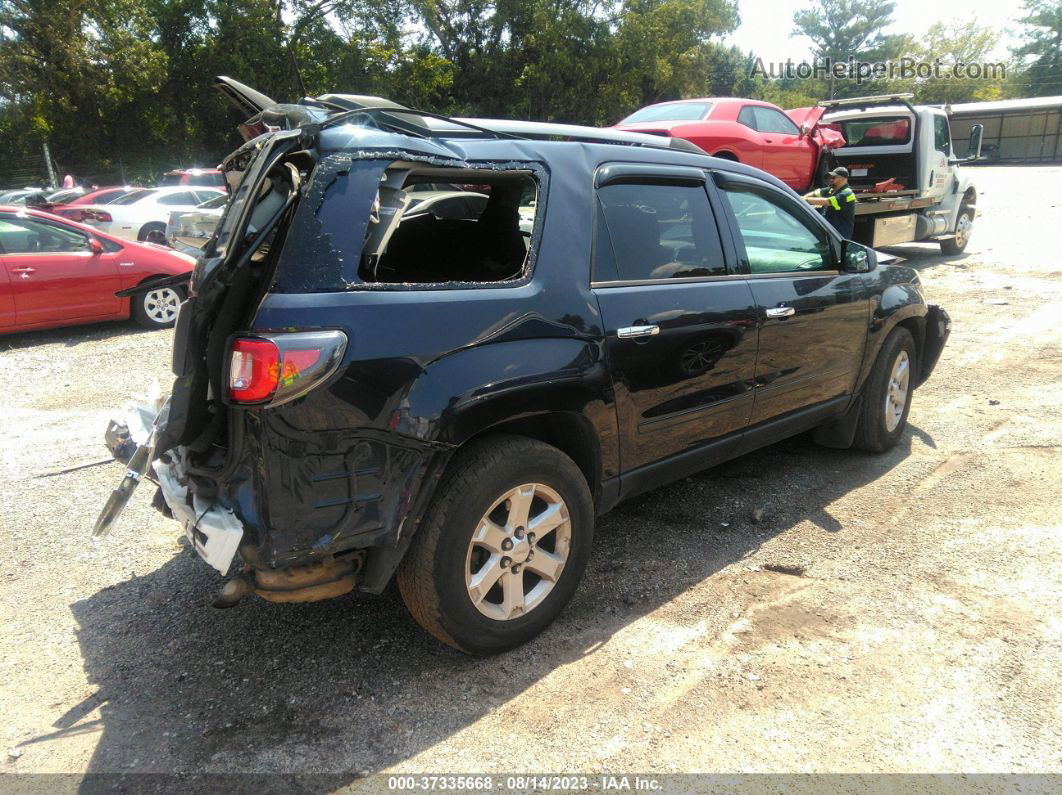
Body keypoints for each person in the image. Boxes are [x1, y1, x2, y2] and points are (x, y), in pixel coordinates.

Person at [804, 166, 856, 239]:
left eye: (833, 178)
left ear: (842, 179)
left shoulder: (847, 193)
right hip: (828, 233)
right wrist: (803, 198)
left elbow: (828, 201)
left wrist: (805, 200)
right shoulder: (831, 190)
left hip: (839, 236)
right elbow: (816, 193)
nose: (830, 180)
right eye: (830, 178)